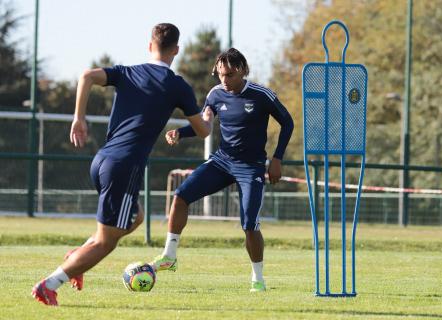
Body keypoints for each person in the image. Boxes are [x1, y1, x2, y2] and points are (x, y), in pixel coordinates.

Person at [31, 23, 213, 306]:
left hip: (102, 161)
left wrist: (79, 117)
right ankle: (50, 284)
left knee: (136, 216)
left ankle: (78, 257)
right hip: (125, 166)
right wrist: (209, 118)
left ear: (149, 45)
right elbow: (203, 131)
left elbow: (87, 76)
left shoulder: (128, 72)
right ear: (176, 50)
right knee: (107, 241)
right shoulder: (177, 86)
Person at [149, 48, 294, 292]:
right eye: (219, 75)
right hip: (222, 161)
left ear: (242, 71)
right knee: (181, 196)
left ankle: (258, 278)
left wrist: (278, 158)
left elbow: (288, 122)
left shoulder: (262, 95)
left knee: (249, 225)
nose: (223, 81)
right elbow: (204, 123)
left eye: (229, 75)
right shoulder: (215, 94)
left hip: (251, 167)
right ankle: (169, 256)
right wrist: (181, 133)